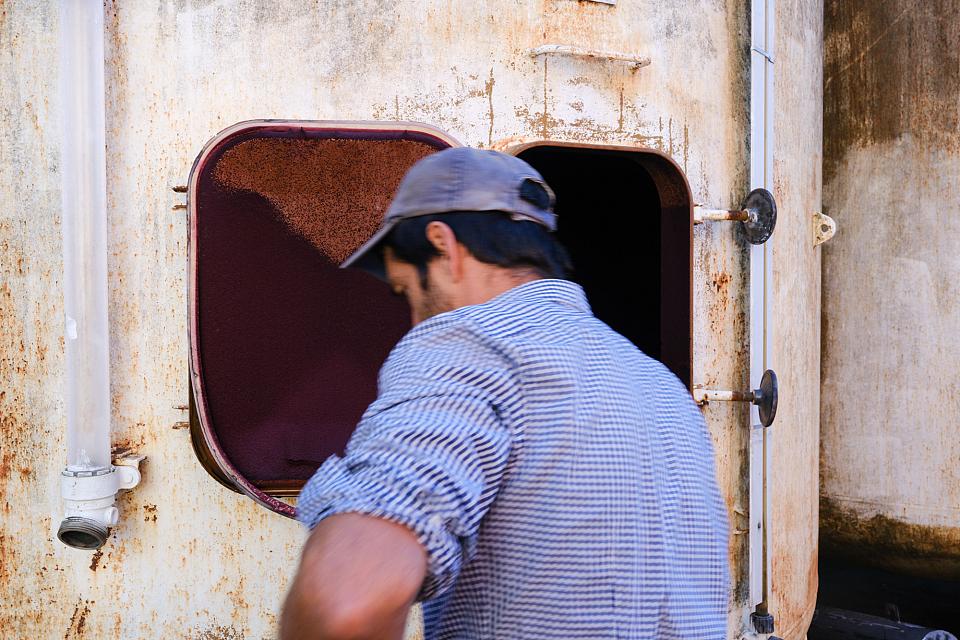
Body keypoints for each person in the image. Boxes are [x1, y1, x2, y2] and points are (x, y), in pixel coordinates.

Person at [280, 148, 729, 640]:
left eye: (409, 291)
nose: (414, 318)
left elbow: (344, 606)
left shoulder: (468, 346)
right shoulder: (661, 388)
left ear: (443, 245)